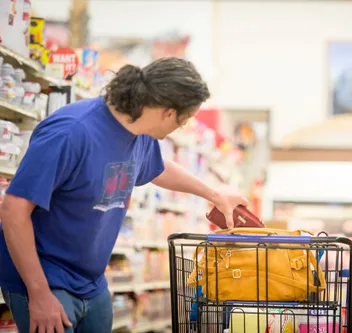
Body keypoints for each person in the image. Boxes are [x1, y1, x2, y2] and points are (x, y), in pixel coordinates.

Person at [0, 57, 248, 333]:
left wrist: (214, 194)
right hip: (45, 278)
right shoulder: (71, 132)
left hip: (91, 283)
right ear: (167, 112)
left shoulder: (140, 133)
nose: (182, 127)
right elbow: (13, 209)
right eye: (185, 119)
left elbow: (157, 168)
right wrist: (39, 293)